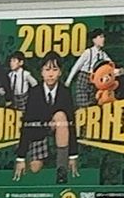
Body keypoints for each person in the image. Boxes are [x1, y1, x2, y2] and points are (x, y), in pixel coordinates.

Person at [17, 55, 79, 183]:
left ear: (60, 72)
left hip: (60, 128)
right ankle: (46, 152)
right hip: (39, 130)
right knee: (35, 168)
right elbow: (26, 122)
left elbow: (71, 122)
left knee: (61, 116)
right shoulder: (34, 92)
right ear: (41, 72)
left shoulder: (65, 92)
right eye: (47, 70)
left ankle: (61, 168)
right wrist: (21, 157)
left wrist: (73, 155)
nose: (51, 74)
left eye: (55, 70)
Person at [69, 29, 109, 108]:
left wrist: (117, 71)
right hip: (83, 78)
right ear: (94, 40)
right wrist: (69, 80)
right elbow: (77, 66)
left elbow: (109, 65)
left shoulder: (103, 54)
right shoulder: (88, 52)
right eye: (100, 37)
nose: (103, 39)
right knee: (82, 104)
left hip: (94, 80)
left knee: (92, 104)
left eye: (103, 37)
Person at [7, 51, 37, 115]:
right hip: (14, 97)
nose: (11, 63)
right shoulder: (10, 75)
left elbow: (34, 84)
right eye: (11, 61)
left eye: (14, 61)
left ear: (21, 62)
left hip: (24, 97)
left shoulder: (25, 74)